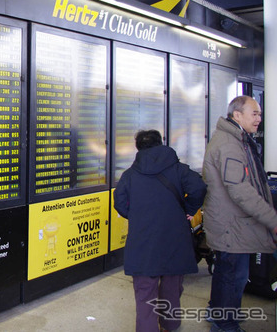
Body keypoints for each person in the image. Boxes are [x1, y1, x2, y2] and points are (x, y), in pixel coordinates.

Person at [115, 129, 206, 332]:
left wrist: (137, 216)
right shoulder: (179, 169)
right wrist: (190, 210)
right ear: (160, 143)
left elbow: (119, 202)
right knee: (172, 285)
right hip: (175, 238)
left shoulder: (130, 175)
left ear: (138, 147)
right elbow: (199, 187)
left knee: (145, 291)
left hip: (143, 240)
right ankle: (170, 325)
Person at [202, 95, 277, 332]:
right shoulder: (229, 144)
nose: (259, 119)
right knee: (233, 275)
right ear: (237, 115)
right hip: (231, 224)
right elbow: (240, 190)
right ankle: (225, 324)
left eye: (260, 114)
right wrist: (273, 220)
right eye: (254, 113)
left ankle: (219, 311)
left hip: (232, 223)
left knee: (228, 270)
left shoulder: (237, 139)